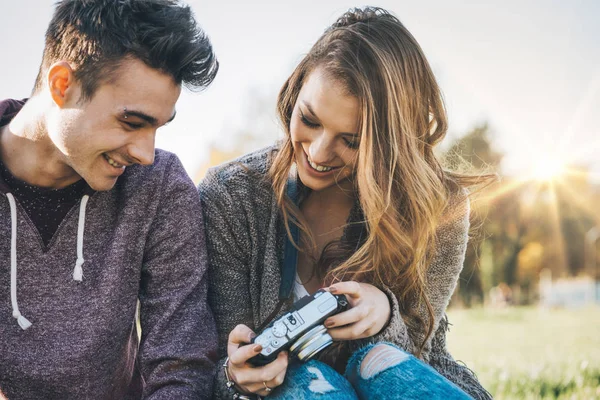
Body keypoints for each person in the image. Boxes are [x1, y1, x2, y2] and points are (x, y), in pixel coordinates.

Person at [199, 6, 493, 400]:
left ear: (391, 145)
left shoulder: (438, 207)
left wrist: (385, 316)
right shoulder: (231, 197)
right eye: (309, 119)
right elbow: (213, 364)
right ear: (295, 92)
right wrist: (237, 377)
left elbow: (423, 354)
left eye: (351, 140)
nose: (318, 152)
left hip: (394, 380)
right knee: (305, 382)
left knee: (379, 363)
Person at [0, 1, 219, 398]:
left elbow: (181, 363)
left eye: (157, 127)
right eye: (132, 123)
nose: (146, 153)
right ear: (62, 85)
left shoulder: (160, 186)